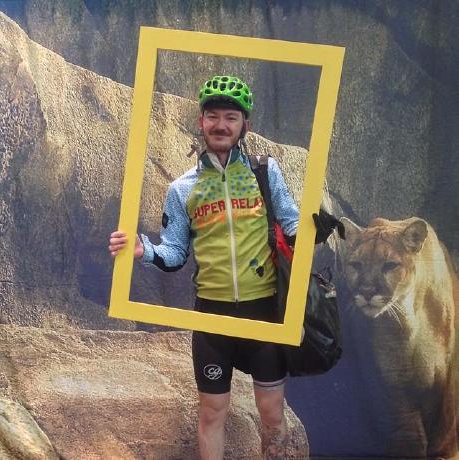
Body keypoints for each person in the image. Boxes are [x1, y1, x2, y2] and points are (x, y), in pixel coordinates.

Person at [109, 75, 338, 459]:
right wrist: (143, 250)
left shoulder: (265, 172)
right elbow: (175, 253)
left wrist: (314, 230)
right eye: (213, 116)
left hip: (263, 313)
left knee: (271, 413)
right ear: (201, 122)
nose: (221, 125)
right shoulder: (182, 189)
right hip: (212, 318)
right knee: (212, 413)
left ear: (244, 124)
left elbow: (291, 224)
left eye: (231, 117)